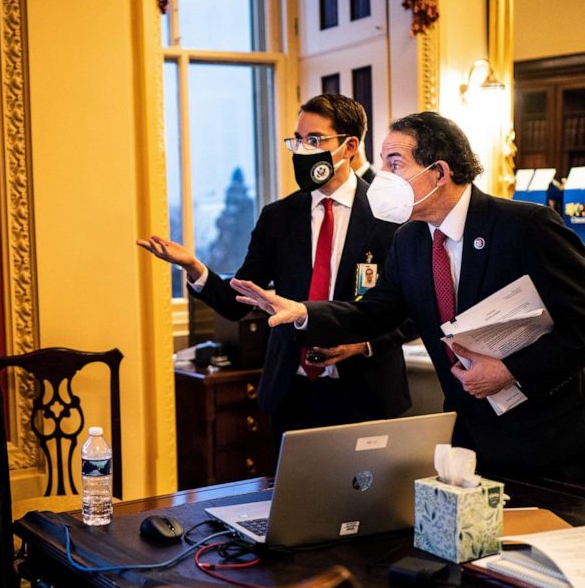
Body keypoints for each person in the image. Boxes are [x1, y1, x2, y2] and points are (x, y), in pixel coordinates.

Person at [231, 111, 585, 480]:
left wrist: (511, 371)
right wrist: (304, 312)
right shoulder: (409, 239)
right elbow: (375, 313)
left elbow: (580, 326)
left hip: (549, 442)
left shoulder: (526, 227)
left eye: (395, 163)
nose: (382, 175)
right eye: (383, 161)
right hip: (469, 442)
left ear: (439, 172)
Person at [139, 94, 412, 459]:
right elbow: (239, 302)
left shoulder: (388, 215)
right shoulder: (278, 217)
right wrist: (194, 267)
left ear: (349, 146)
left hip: (366, 391)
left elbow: (412, 309)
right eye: (297, 140)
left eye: (314, 140)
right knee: (294, 509)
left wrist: (361, 345)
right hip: (292, 393)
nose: (302, 150)